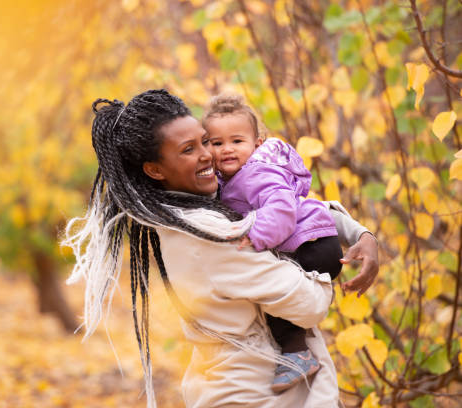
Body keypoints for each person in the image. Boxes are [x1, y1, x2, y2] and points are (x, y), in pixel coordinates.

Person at [64, 89, 378, 408]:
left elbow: (293, 209)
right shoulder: (209, 237)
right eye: (190, 149)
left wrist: (358, 233)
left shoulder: (198, 208)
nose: (208, 155)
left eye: (204, 141)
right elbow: (308, 305)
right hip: (255, 397)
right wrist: (320, 262)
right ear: (155, 170)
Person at [203, 94, 342, 392]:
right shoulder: (235, 176)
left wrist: (256, 235)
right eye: (216, 143)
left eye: (236, 141)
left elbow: (281, 208)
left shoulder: (257, 173)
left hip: (312, 245)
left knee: (276, 300)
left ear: (256, 143)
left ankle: (297, 356)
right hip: (311, 239)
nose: (226, 149)